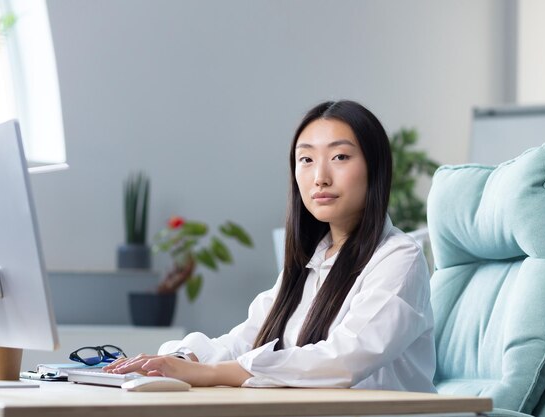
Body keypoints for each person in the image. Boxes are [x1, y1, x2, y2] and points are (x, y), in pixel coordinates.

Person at [104, 100, 436, 392]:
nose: (319, 176)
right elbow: (245, 340)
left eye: (339, 156)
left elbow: (343, 360)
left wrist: (210, 373)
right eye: (305, 159)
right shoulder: (312, 262)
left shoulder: (398, 259)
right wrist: (173, 361)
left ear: (375, 168)